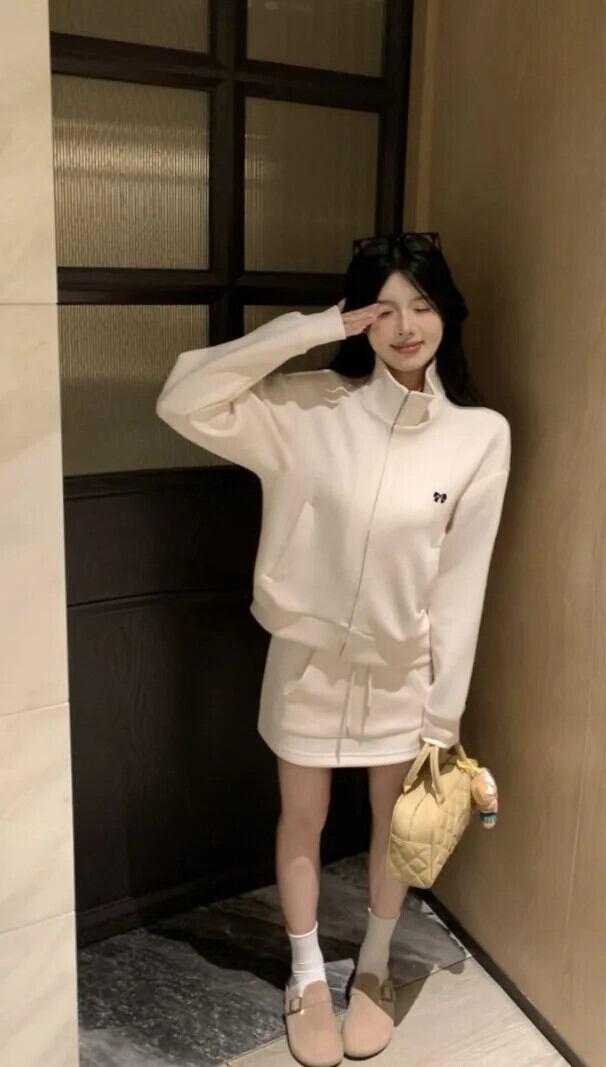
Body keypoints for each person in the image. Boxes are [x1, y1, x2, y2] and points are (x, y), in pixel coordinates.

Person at [155, 231, 511, 1066]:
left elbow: (463, 585)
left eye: (422, 306)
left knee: (396, 825)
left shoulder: (479, 436)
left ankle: (375, 966)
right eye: (384, 309)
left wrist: (444, 717)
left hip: (402, 673)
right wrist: (311, 330)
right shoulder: (307, 408)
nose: (406, 327)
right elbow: (183, 398)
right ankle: (308, 974)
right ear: (359, 318)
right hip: (306, 664)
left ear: (447, 314)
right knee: (303, 818)